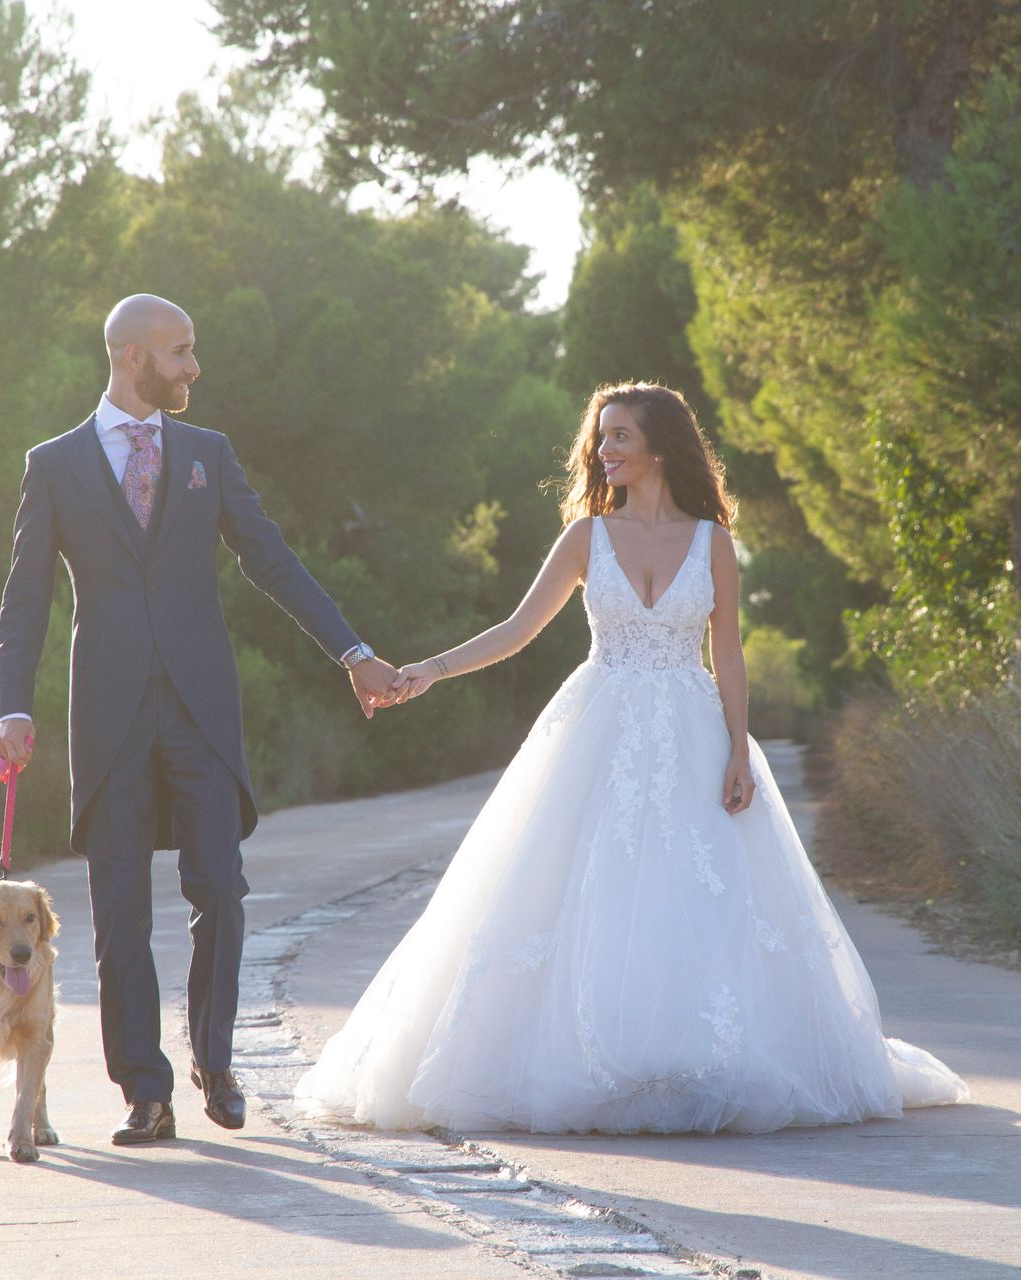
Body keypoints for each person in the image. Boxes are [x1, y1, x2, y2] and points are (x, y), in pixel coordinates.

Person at [296, 382, 970, 1134]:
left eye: (619, 436)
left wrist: (739, 750)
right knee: (581, 888)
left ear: (659, 445)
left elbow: (729, 654)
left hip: (693, 728)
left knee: (695, 893)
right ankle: (589, 1057)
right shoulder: (586, 536)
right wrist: (429, 670)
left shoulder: (714, 542)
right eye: (601, 437)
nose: (603, 451)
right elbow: (518, 628)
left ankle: (693, 1056)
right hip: (598, 725)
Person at [0, 294, 403, 1145]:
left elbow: (273, 562)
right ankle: (144, 1089)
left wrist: (353, 653)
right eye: (180, 352)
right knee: (120, 915)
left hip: (202, 712)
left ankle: (214, 1057)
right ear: (134, 357)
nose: (193, 367)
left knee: (220, 887)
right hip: (108, 719)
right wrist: (14, 709)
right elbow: (24, 597)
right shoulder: (56, 464)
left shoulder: (207, 454)